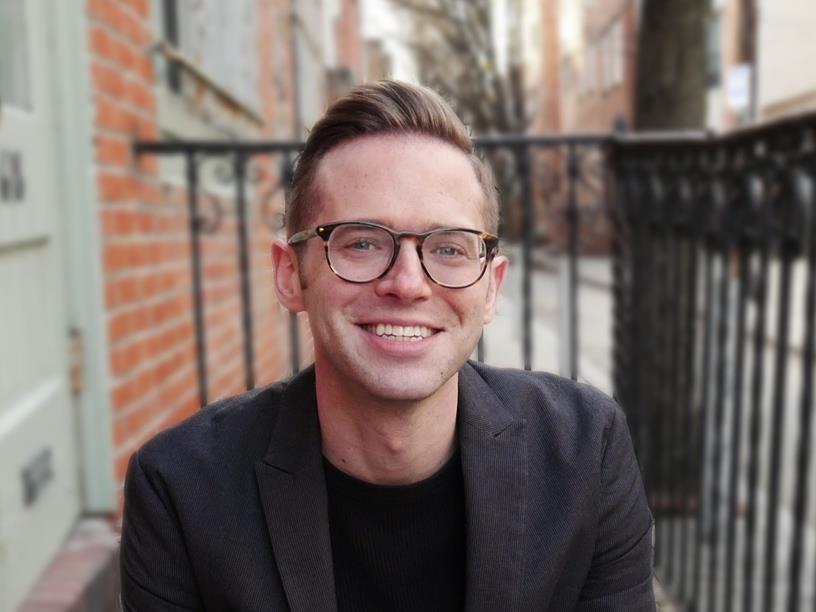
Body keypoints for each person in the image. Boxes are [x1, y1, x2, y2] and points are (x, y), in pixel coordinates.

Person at [120, 80, 655, 611]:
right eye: (362, 242)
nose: (407, 284)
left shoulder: (585, 454)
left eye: (449, 248)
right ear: (289, 275)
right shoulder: (181, 489)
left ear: (491, 288)